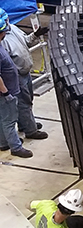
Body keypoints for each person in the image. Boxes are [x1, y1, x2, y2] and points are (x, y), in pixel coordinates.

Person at [0, 11, 46, 144]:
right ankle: (30, 130)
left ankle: (25, 123)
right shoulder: (2, 41)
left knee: (28, 99)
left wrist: (35, 35)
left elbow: (26, 41)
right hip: (16, 76)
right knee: (23, 103)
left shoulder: (13, 29)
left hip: (26, 72)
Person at [0, 22, 31, 158]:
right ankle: (16, 147)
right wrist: (5, 92)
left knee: (4, 118)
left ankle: (4, 142)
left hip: (8, 89)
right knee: (9, 120)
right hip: (5, 92)